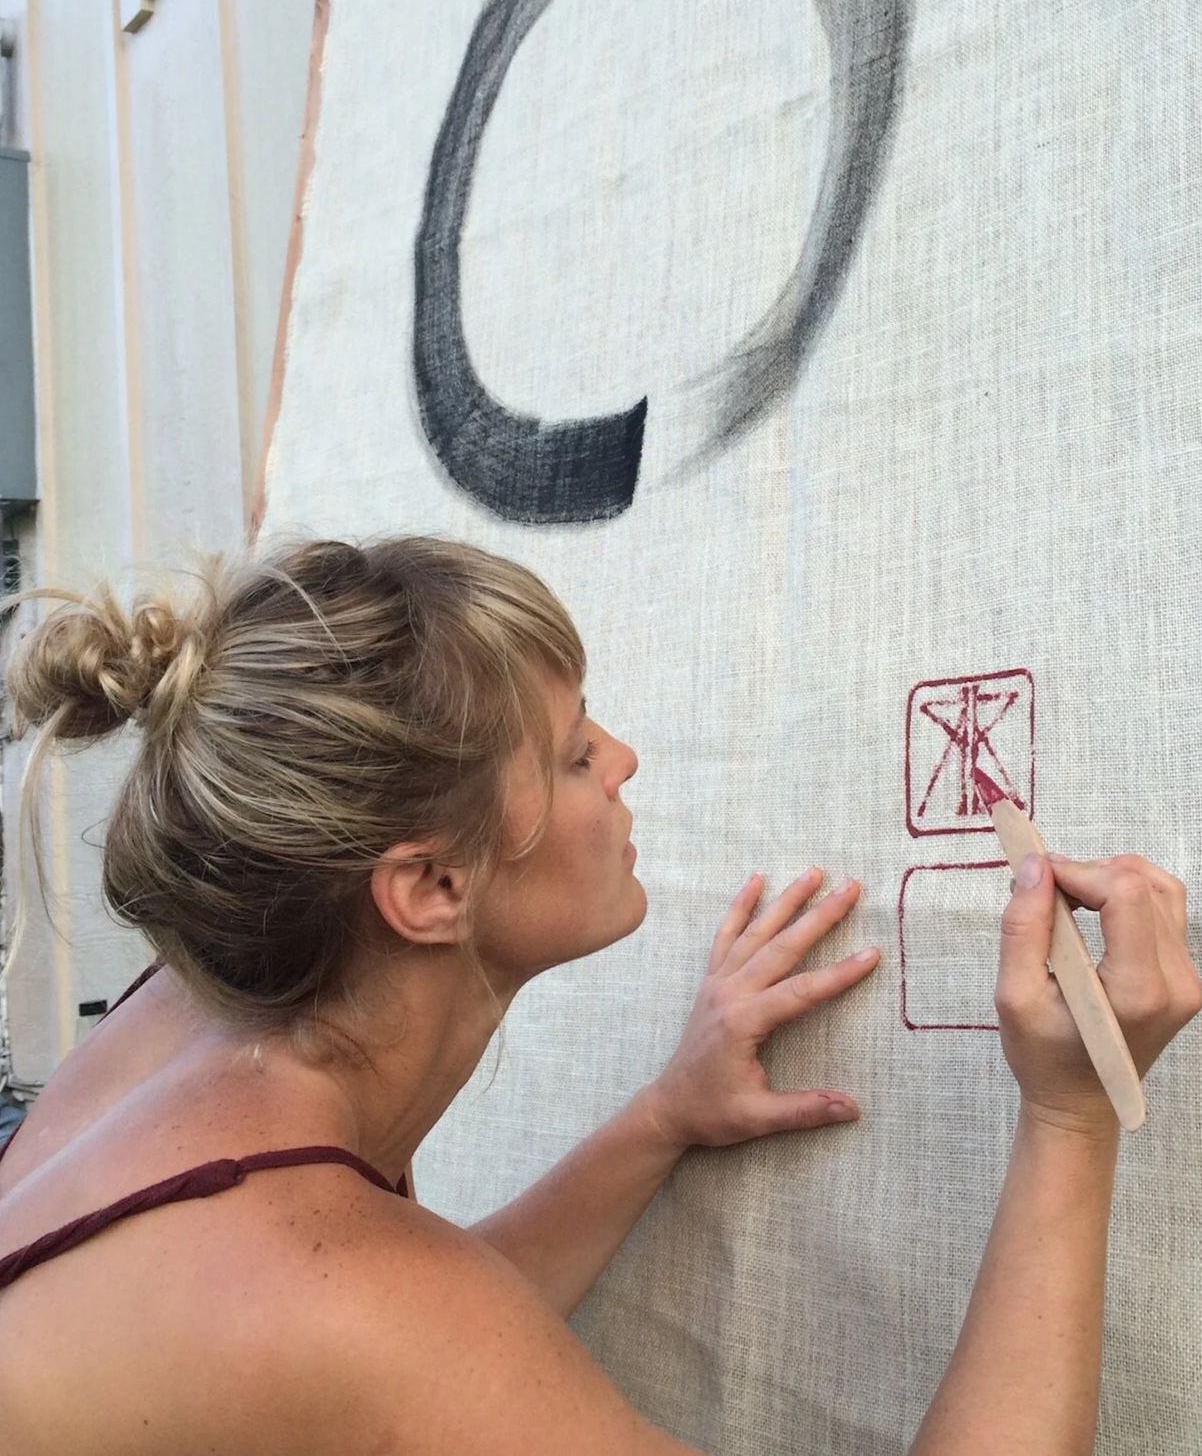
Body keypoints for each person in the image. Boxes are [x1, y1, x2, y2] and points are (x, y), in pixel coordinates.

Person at [0, 537, 1195, 1456]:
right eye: (572, 753)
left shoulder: (222, 997)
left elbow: (367, 1352)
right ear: (427, 884)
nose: (619, 759)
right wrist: (1069, 1119)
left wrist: (661, 1115)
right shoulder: (336, 1287)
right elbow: (387, 1334)